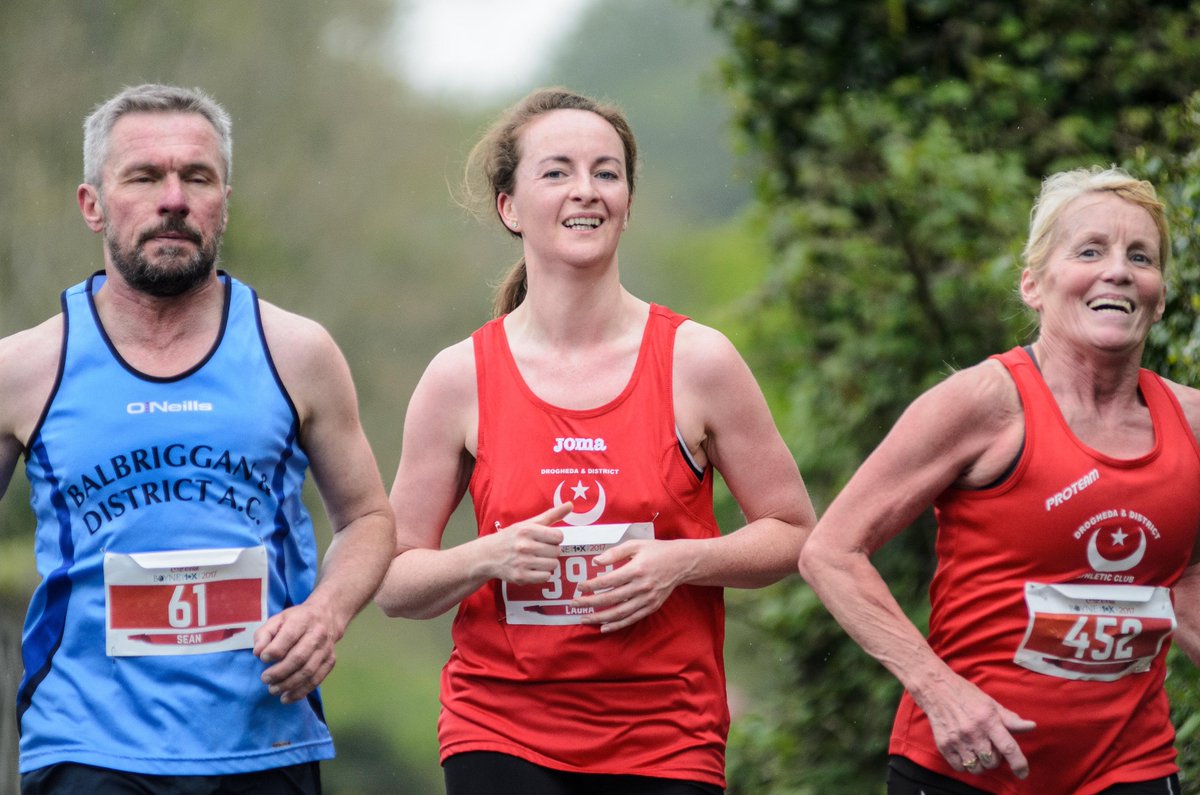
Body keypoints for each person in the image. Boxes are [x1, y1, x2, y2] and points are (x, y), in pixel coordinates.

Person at [374, 87, 815, 795]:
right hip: (502, 728)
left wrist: (681, 559)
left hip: (667, 736)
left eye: (606, 172)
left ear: (628, 201)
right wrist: (488, 555)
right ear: (509, 206)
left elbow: (795, 533)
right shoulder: (459, 378)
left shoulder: (698, 362)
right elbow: (393, 580)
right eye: (556, 172)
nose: (586, 191)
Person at [0, 83, 395, 794]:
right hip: (87, 743)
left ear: (224, 201)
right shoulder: (26, 367)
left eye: (197, 177)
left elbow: (368, 518)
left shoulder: (296, 350)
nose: (173, 198)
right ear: (92, 203)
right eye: (145, 176)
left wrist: (325, 614)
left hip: (263, 742)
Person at [798, 165, 1200, 795]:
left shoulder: (1192, 425)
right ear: (1033, 284)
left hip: (1130, 767)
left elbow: (1187, 582)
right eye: (1090, 250)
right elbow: (830, 552)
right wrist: (938, 690)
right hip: (969, 764)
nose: (1118, 270)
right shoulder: (984, 404)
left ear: (1159, 293)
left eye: (1140, 256)